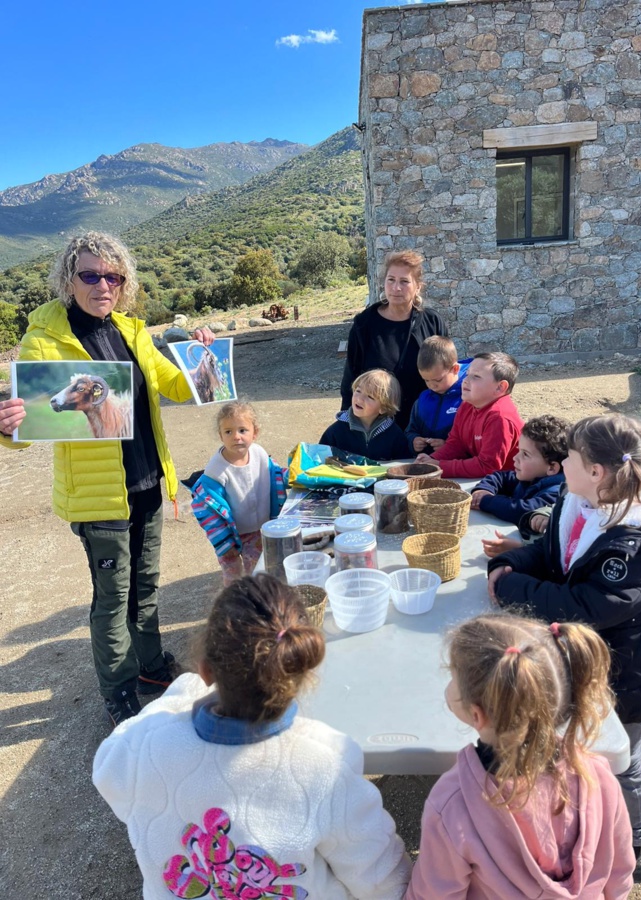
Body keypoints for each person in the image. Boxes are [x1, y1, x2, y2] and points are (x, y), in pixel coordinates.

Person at [0, 231, 214, 729]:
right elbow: (27, 424)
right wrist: (6, 424)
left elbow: (178, 386)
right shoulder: (43, 341)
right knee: (112, 596)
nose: (103, 285)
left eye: (113, 276)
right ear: (69, 280)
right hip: (98, 496)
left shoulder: (133, 331)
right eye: (91, 275)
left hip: (144, 480)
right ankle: (118, 690)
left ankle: (152, 667)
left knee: (145, 585)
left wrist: (200, 356)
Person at [93, 574, 412, 900]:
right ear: (299, 670)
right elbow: (382, 881)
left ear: (205, 671)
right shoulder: (327, 762)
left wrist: (182, 691)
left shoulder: (141, 748)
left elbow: (108, 766)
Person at [487, 414, 641, 883]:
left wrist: (515, 590)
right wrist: (511, 562)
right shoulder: (582, 502)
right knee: (582, 748)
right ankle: (583, 819)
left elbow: (587, 605)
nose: (561, 463)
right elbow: (550, 553)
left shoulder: (637, 541)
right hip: (588, 658)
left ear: (596, 471)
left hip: (632, 668)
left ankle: (637, 838)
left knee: (622, 757)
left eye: (568, 456)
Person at [406, 613, 634, 900]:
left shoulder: (452, 804)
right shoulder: (599, 776)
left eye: (453, 676)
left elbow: (435, 895)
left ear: (477, 715)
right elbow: (620, 872)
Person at [340, 250, 449, 429]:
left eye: (404, 281)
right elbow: (351, 378)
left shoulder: (432, 322)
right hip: (376, 428)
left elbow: (448, 374)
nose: (396, 288)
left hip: (423, 426)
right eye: (391, 280)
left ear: (418, 287)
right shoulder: (364, 324)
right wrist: (348, 423)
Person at [190, 401, 286, 584]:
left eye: (242, 430)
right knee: (233, 574)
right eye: (228, 432)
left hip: (259, 528)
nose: (236, 437)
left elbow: (276, 476)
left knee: (258, 572)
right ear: (221, 436)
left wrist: (294, 475)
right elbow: (207, 508)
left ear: (254, 432)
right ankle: (235, 605)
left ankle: (257, 602)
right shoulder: (216, 470)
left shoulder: (260, 454)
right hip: (229, 534)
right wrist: (225, 544)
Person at [473, 415, 568, 558]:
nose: (515, 458)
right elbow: (501, 477)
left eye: (525, 454)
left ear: (552, 468)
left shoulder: (557, 493)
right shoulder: (529, 476)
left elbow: (522, 510)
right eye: (518, 450)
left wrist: (485, 501)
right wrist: (484, 490)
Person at [416, 352, 523, 478]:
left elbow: (487, 466)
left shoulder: (499, 418)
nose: (465, 380)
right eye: (467, 374)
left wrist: (439, 466)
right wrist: (430, 460)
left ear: (500, 387)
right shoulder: (467, 405)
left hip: (508, 486)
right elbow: (456, 443)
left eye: (476, 377)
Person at [322, 368, 410, 461]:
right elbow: (320, 460)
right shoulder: (336, 431)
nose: (360, 399)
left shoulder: (394, 434)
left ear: (383, 408)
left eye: (370, 397)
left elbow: (403, 465)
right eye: (358, 391)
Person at [405, 336, 471, 455]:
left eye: (438, 380)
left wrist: (448, 447)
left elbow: (474, 441)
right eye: (426, 380)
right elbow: (410, 430)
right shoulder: (421, 400)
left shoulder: (470, 398)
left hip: (457, 468)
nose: (432, 386)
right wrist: (413, 440)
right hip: (425, 466)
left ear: (455, 369)